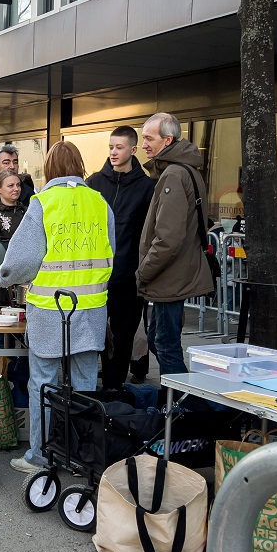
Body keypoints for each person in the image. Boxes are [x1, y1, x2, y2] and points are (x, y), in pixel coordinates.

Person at [0, 141, 115, 474]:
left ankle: (41, 456)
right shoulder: (99, 202)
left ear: (49, 169)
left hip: (50, 310)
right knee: (86, 385)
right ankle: (82, 456)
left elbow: (21, 261)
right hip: (91, 309)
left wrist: (3, 277)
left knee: (43, 383)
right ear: (79, 166)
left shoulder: (43, 203)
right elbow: (111, 252)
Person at [137, 112, 214, 378]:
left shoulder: (173, 174)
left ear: (167, 140)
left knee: (165, 345)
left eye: (149, 138)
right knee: (160, 339)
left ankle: (183, 406)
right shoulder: (184, 170)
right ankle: (184, 401)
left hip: (169, 276)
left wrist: (143, 272)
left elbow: (168, 238)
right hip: (172, 274)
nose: (143, 144)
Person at [87, 125, 156, 390]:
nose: (114, 152)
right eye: (111, 147)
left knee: (125, 335)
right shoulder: (94, 182)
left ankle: (115, 387)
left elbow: (149, 233)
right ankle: (103, 380)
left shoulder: (147, 187)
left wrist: (141, 271)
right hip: (96, 275)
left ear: (133, 149)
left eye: (119, 147)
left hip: (129, 275)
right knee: (98, 333)